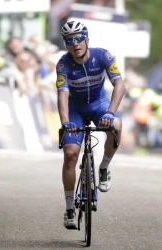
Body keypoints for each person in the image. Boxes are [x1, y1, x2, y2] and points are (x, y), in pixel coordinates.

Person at [56, 20, 126, 229]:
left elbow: (120, 84)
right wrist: (65, 122)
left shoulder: (103, 55)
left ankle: (103, 168)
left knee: (116, 126)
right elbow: (62, 95)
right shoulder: (63, 64)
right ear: (66, 45)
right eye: (70, 40)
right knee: (70, 155)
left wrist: (111, 112)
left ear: (87, 39)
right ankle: (69, 207)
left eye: (78, 38)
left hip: (99, 104)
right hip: (75, 108)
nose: (75, 43)